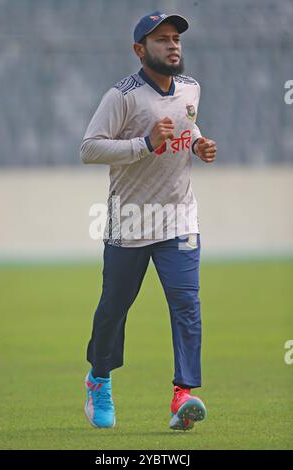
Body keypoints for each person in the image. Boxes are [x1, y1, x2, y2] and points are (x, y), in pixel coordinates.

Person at [80, 11, 217, 431]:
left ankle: (183, 396)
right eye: (161, 39)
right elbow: (89, 148)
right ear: (140, 50)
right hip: (130, 218)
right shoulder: (122, 96)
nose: (173, 45)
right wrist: (144, 143)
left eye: (175, 38)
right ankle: (98, 380)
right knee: (114, 310)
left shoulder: (191, 88)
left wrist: (197, 143)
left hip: (179, 217)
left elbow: (185, 124)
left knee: (186, 305)